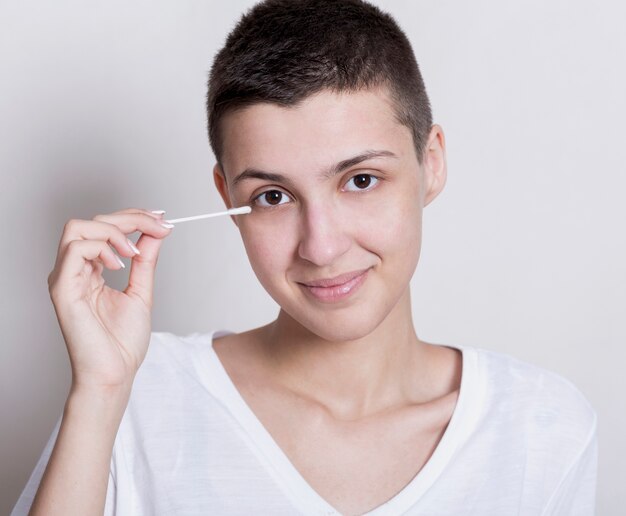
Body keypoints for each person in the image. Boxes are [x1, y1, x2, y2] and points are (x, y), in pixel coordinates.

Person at [12, 0, 597, 515]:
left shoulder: (540, 428)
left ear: (431, 163)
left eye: (361, 180)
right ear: (227, 197)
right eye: (272, 197)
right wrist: (100, 392)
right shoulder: (136, 395)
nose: (321, 246)